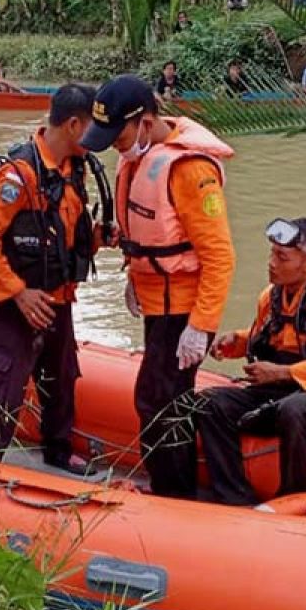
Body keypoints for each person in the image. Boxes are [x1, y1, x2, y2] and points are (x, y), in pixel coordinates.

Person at [80, 75, 236, 499]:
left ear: (146, 122)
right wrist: (133, 271)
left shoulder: (190, 170)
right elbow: (150, 231)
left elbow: (220, 255)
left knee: (158, 401)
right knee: (159, 399)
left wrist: (201, 326)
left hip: (182, 311)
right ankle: (171, 486)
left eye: (120, 134)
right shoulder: (140, 155)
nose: (115, 144)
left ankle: (174, 494)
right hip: (156, 304)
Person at [0, 84, 105, 473]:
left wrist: (99, 239)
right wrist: (18, 293)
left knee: (61, 379)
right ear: (74, 125)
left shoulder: (75, 170)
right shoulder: (19, 175)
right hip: (18, 305)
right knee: (0, 386)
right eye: (94, 128)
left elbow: (66, 234)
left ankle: (58, 452)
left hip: (59, 299)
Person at [196, 217, 306, 506]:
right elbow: (270, 338)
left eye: (281, 257)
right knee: (209, 404)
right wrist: (238, 343)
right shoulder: (272, 296)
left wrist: (281, 372)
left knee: (297, 409)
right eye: (272, 254)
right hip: (285, 388)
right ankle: (233, 495)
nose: (271, 263)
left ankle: (291, 498)